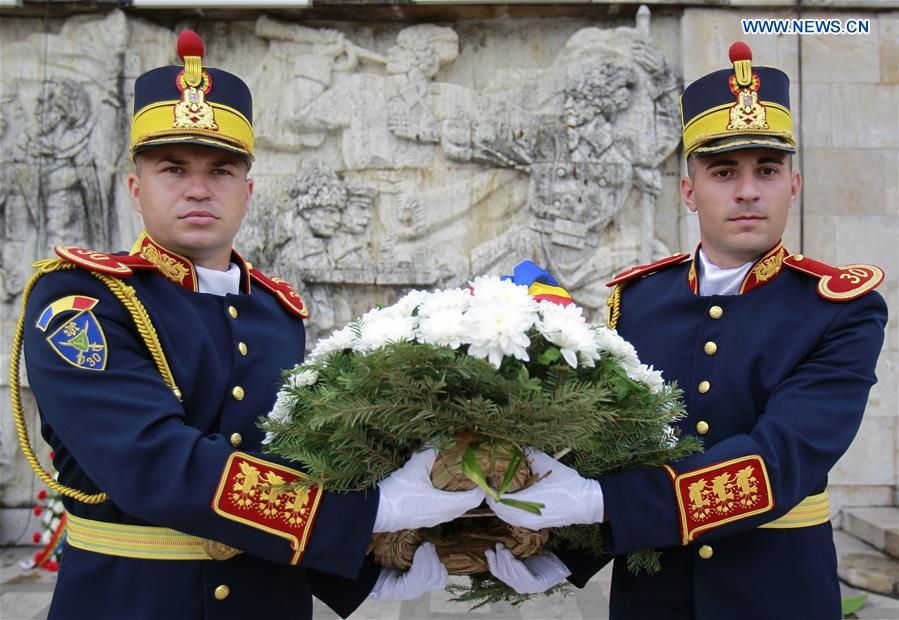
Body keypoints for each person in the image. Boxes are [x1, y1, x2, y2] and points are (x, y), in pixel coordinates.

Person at [15, 30, 484, 619]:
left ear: (248, 192)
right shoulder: (81, 299)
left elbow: (289, 460)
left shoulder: (275, 311)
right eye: (172, 168)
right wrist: (367, 513)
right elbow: (152, 463)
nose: (197, 189)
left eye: (221, 170)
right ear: (136, 189)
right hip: (132, 601)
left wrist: (374, 566)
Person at [481, 41, 888, 619]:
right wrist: (552, 555)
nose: (747, 190)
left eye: (767, 170)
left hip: (777, 592)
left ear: (793, 185)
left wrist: (600, 503)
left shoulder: (839, 308)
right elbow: (614, 451)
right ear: (689, 190)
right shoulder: (639, 301)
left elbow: (778, 462)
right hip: (653, 594)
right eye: (724, 171)